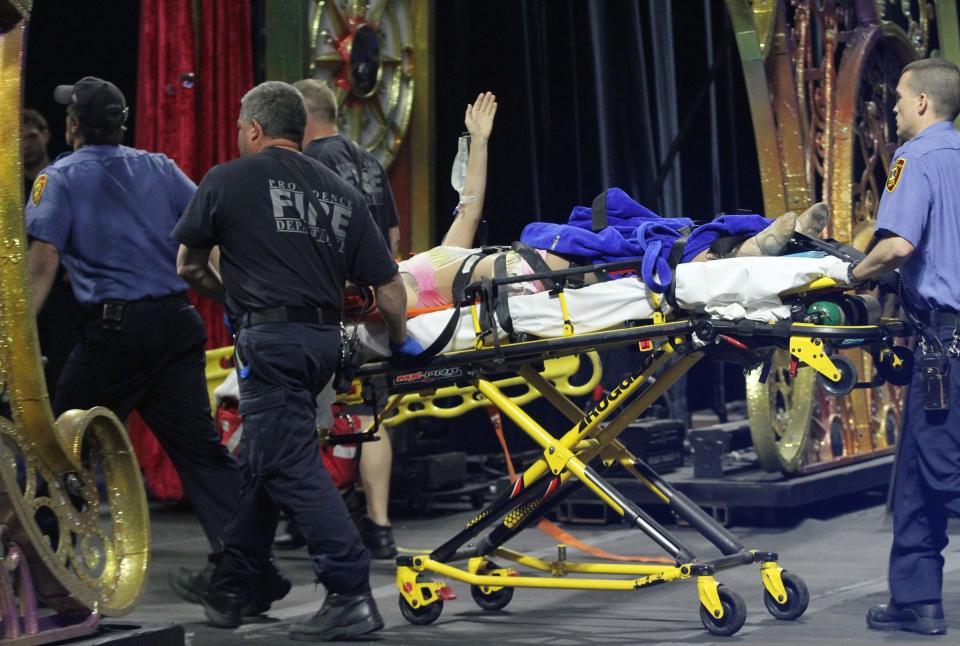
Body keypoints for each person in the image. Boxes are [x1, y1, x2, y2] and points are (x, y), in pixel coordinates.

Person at [173, 81, 419, 641]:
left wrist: (233, 299)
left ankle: (350, 587)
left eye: (240, 127)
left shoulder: (226, 180)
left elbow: (187, 265)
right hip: (324, 345)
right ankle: (240, 581)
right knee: (268, 451)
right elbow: (389, 288)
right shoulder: (341, 192)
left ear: (256, 128)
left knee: (287, 460)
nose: (239, 135)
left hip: (271, 343)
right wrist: (401, 341)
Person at [24, 73, 246, 560]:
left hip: (116, 334)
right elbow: (209, 231)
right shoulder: (160, 168)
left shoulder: (58, 177)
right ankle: (246, 567)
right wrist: (238, 297)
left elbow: (43, 261)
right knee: (200, 453)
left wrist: (15, 337)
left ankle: (51, 568)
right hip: (174, 325)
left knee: (59, 446)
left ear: (73, 125)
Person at [832, 58, 960, 637]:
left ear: (923, 105)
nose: (894, 109)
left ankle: (917, 599)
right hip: (946, 339)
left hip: (947, 343)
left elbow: (900, 245)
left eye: (901, 99)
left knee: (939, 473)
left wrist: (856, 273)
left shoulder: (916, 159)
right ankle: (916, 599)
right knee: (914, 473)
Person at [289, 78, 402, 558]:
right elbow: (392, 238)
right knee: (369, 417)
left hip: (331, 312)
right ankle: (378, 525)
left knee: (308, 418)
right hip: (375, 309)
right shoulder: (371, 161)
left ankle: (318, 523)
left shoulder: (308, 164)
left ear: (301, 118)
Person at [294, 78, 400, 254]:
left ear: (301, 116)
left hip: (339, 280)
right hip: (380, 276)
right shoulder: (370, 159)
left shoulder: (312, 161)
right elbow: (394, 235)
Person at [23, 107, 85, 399]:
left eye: (31, 135)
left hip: (65, 297)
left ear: (45, 135)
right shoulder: (12, 191)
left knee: (63, 375)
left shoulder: (64, 178)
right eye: (18, 137)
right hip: (24, 292)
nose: (25, 143)